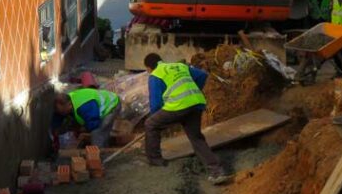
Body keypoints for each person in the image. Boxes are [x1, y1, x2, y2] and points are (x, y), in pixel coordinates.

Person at [143, 53, 232, 184]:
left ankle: (155, 160)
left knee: (150, 124)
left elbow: (155, 104)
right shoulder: (180, 66)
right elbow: (202, 75)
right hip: (196, 103)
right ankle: (217, 172)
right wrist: (194, 90)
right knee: (196, 137)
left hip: (177, 106)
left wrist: (158, 118)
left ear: (149, 67)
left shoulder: (156, 74)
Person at [53, 88, 121, 147]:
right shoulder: (67, 100)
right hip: (94, 109)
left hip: (111, 104)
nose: (63, 114)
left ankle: (98, 154)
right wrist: (55, 129)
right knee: (101, 133)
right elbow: (59, 116)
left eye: (63, 111)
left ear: (69, 105)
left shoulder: (84, 107)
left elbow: (94, 124)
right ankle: (104, 146)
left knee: (98, 132)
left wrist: (83, 129)